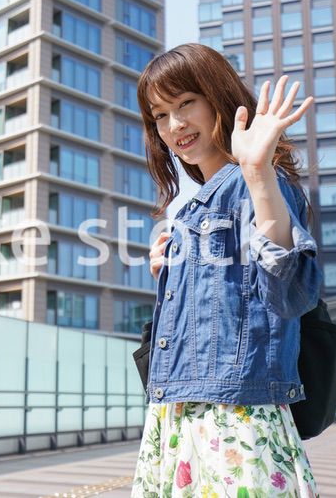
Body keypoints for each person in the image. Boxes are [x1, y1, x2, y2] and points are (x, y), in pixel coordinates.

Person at [130, 43, 322, 497]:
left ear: (217, 97)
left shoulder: (256, 182)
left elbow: (291, 293)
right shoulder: (191, 208)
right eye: (159, 115)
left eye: (184, 104)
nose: (174, 125)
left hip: (233, 416)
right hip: (177, 413)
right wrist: (173, 274)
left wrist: (257, 174)